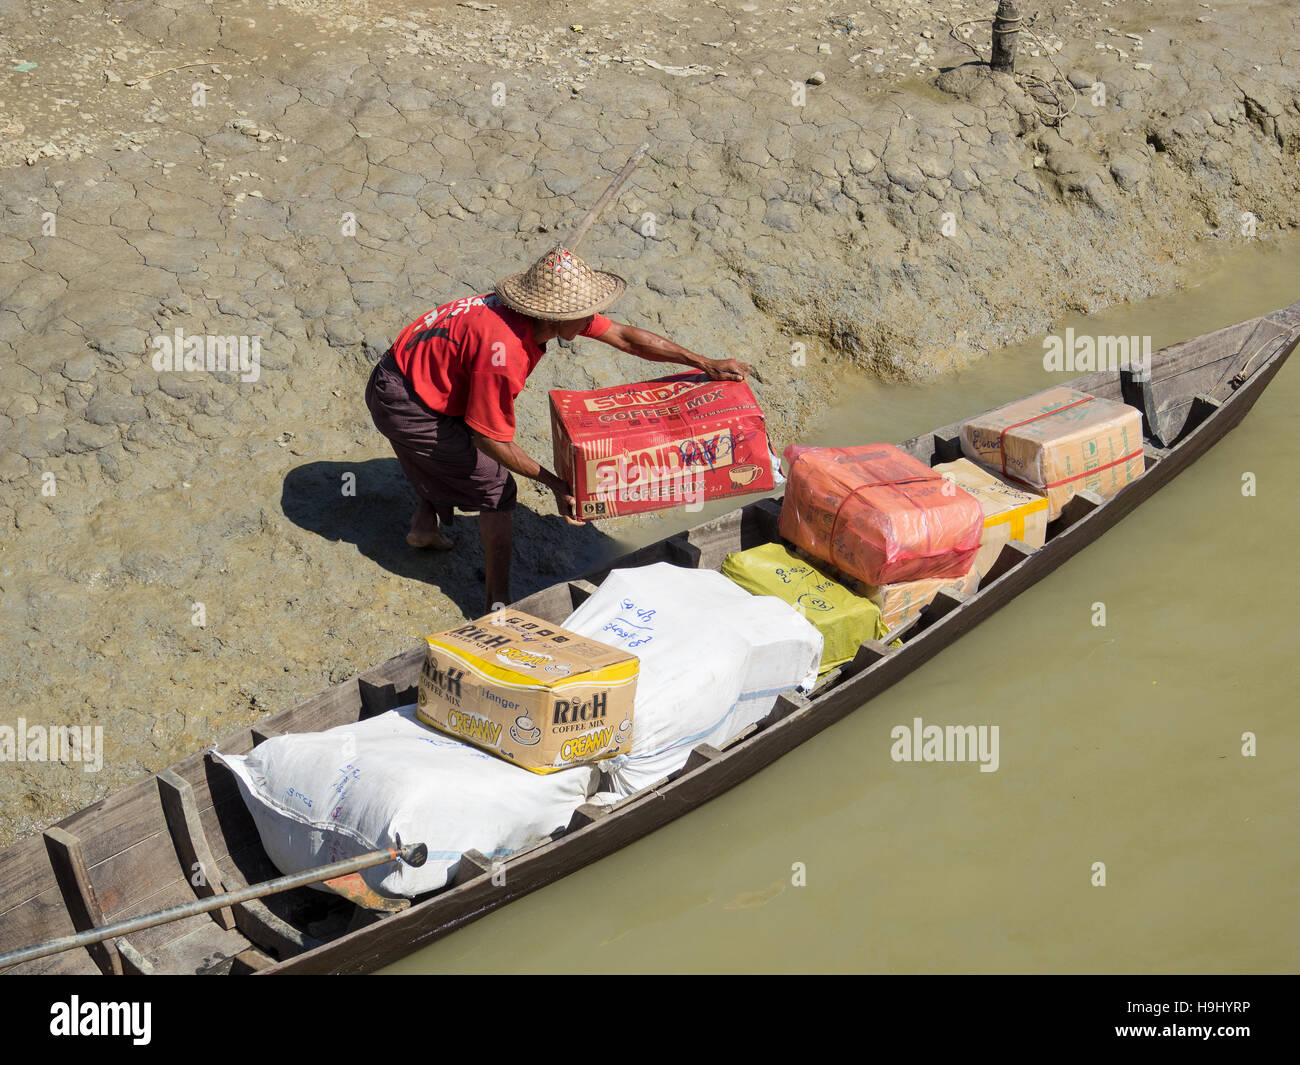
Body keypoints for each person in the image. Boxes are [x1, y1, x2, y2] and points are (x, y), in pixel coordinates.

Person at [365, 245, 753, 612]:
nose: (592, 320)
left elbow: (625, 337)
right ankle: (495, 604)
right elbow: (489, 437)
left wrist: (703, 362)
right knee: (496, 488)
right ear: (552, 317)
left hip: (424, 373)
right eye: (585, 314)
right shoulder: (504, 352)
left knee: (449, 458)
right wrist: (555, 483)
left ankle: (422, 527)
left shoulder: (542, 314)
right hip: (404, 400)